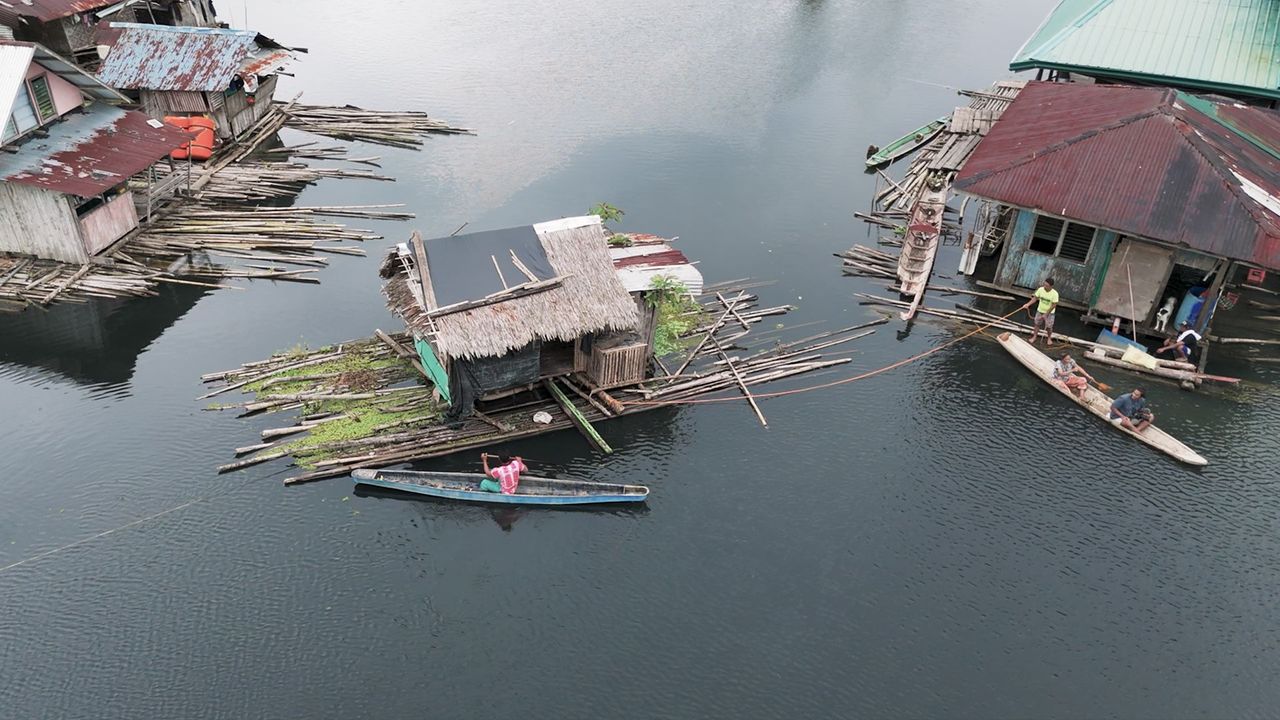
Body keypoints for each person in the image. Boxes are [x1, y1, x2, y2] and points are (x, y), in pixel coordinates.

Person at [1021, 278, 1059, 345]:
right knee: (1036, 324)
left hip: (1050, 313)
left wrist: (1046, 314)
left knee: (1049, 327)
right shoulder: (1040, 289)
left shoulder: (1055, 294)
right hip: (1040, 310)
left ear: (1051, 286)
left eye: (1047, 286)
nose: (1045, 287)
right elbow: (1035, 298)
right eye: (1044, 285)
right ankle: (1034, 337)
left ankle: (1049, 338)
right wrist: (1028, 304)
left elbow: (1054, 305)